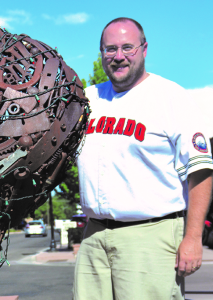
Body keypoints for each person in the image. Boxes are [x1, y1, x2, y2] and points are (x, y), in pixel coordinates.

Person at [73, 17, 213, 300]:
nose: (119, 56)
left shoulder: (170, 97)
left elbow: (200, 171)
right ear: (101, 53)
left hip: (150, 236)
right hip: (94, 236)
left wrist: (193, 237)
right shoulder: (88, 99)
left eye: (128, 47)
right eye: (110, 49)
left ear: (144, 49)